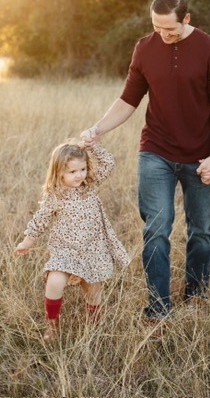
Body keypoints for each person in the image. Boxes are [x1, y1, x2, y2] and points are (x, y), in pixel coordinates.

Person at [81, 0, 210, 320]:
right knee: (156, 228)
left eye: (170, 29)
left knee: (201, 231)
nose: (163, 34)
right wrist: (98, 129)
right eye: (156, 27)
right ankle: (158, 307)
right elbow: (128, 99)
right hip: (156, 151)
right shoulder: (145, 48)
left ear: (186, 19)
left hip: (200, 155)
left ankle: (196, 297)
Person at [15, 140, 130, 341]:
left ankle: (94, 326)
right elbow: (40, 220)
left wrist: (92, 146)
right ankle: (52, 325)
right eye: (72, 171)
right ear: (59, 172)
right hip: (65, 251)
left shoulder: (89, 186)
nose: (79, 175)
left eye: (83, 169)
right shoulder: (55, 195)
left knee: (93, 291)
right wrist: (26, 242)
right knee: (54, 282)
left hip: (92, 250)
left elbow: (108, 163)